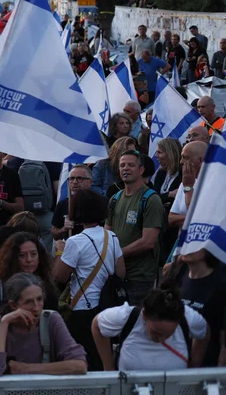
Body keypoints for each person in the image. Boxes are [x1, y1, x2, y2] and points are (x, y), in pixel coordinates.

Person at [52, 189, 125, 370]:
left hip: (82, 310)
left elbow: (59, 276)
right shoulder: (112, 237)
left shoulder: (75, 241)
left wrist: (60, 250)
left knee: (86, 361)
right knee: (103, 359)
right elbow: (121, 273)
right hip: (107, 306)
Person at [0, 273, 87, 376]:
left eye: (39, 299)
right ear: (13, 305)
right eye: (29, 302)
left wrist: (25, 368)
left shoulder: (51, 320)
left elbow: (80, 365)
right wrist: (4, 323)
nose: (36, 308)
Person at [92, 287, 208, 371]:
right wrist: (108, 367)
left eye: (168, 334)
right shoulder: (127, 317)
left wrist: (195, 362)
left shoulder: (189, 319)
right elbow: (97, 325)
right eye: (156, 332)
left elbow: (205, 331)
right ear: (144, 315)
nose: (161, 339)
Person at [105, 150, 163, 306]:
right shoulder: (115, 199)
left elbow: (148, 242)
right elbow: (107, 234)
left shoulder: (151, 199)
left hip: (139, 277)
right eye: (122, 165)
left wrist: (118, 254)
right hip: (116, 274)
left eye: (131, 165)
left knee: (135, 324)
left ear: (141, 170)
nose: (126, 168)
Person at [167, 250, 226, 367]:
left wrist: (219, 376)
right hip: (175, 362)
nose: (188, 248)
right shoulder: (179, 272)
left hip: (207, 366)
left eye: (195, 245)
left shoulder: (221, 282)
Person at [0, 232, 57, 309]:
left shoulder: (47, 285)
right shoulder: (0, 286)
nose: (29, 260)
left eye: (33, 254)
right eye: (22, 255)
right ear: (12, 258)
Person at [51, 164, 93, 240]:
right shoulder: (63, 204)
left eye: (79, 178)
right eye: (71, 178)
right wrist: (64, 229)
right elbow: (54, 234)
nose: (74, 182)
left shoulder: (101, 203)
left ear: (90, 182)